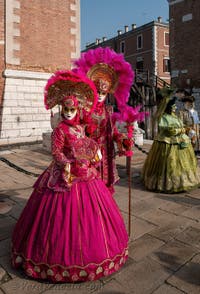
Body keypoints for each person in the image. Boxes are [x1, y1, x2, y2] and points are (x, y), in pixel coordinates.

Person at [11, 70, 128, 283]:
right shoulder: (61, 129)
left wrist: (97, 153)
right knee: (57, 213)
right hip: (65, 175)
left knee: (95, 211)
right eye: (66, 109)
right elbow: (56, 152)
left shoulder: (84, 125)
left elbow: (88, 143)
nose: (68, 113)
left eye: (72, 109)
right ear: (62, 108)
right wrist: (67, 162)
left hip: (86, 171)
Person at [73, 47, 135, 194]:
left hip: (106, 156)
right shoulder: (83, 110)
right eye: (97, 92)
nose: (100, 95)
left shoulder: (108, 110)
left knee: (105, 190)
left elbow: (112, 132)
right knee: (89, 191)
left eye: (103, 93)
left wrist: (123, 139)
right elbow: (76, 135)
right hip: (89, 157)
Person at [142, 88, 200, 193]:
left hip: (180, 142)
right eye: (173, 106)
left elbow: (181, 125)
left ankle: (183, 180)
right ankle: (167, 183)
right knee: (170, 163)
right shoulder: (163, 117)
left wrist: (186, 129)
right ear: (167, 107)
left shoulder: (175, 116)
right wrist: (184, 129)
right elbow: (170, 131)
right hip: (167, 144)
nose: (175, 107)